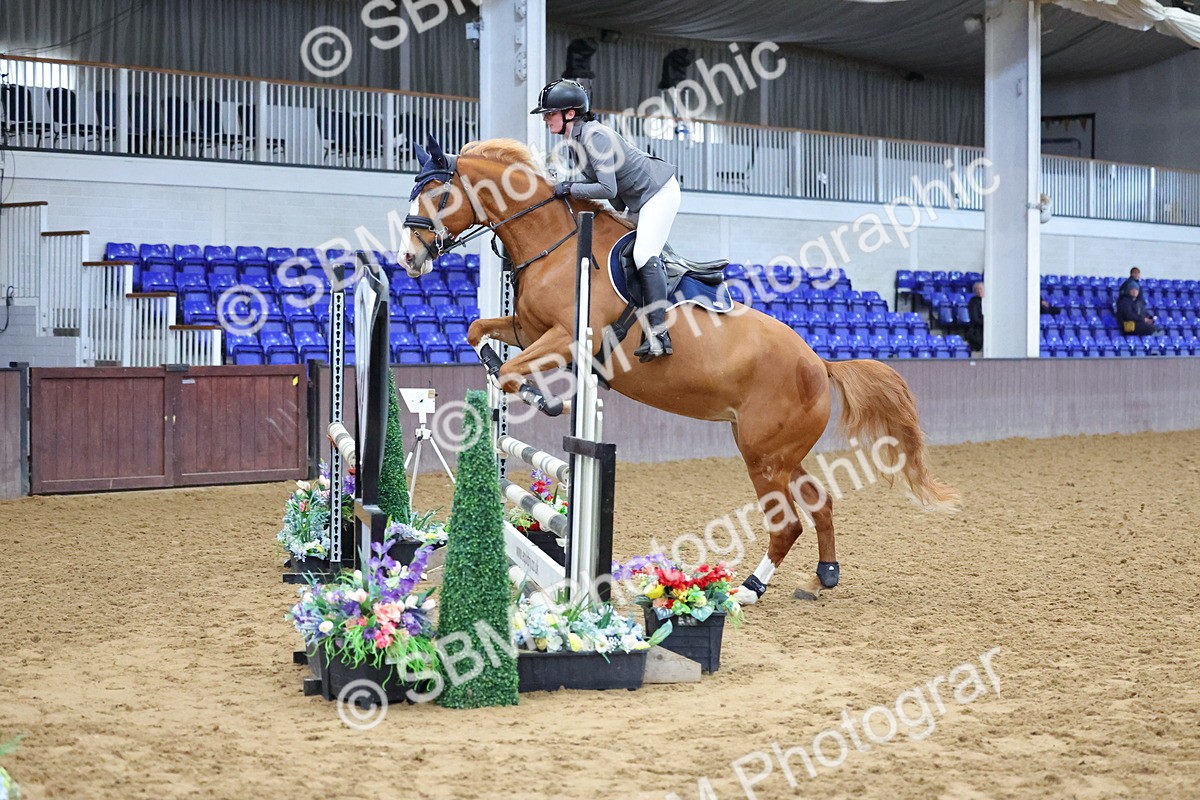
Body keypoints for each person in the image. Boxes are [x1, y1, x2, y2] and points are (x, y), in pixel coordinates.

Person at [532, 78, 680, 361]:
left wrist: (569, 187)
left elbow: (607, 189)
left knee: (643, 253)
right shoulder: (575, 140)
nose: (546, 119)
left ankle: (659, 333)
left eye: (549, 114)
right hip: (638, 199)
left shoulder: (593, 136)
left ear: (570, 113)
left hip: (658, 193)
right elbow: (592, 181)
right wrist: (562, 184)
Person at [965, 281, 984, 352]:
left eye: (981, 289)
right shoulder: (973, 302)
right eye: (978, 289)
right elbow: (975, 318)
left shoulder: (988, 301)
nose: (979, 291)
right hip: (976, 332)